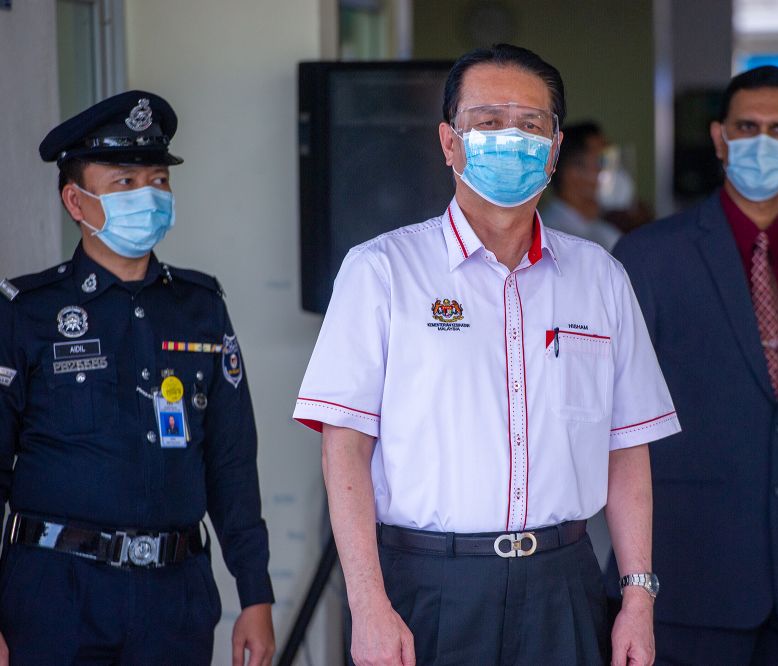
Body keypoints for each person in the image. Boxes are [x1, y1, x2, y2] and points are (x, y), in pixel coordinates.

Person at [293, 43, 679, 666]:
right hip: (428, 586)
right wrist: (367, 605)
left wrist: (638, 596)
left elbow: (628, 448)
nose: (511, 138)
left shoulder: (600, 276)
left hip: (565, 583)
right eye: (487, 122)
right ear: (449, 143)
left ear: (554, 147)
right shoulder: (382, 271)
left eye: (530, 125)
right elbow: (345, 449)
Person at [611, 65, 778, 664]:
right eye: (747, 126)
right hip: (689, 571)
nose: (763, 141)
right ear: (718, 137)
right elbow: (619, 412)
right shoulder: (649, 257)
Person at [0, 91, 275, 665]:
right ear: (76, 202)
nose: (147, 196)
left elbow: (230, 462)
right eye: (124, 183)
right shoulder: (25, 311)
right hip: (57, 595)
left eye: (157, 181)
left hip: (173, 598)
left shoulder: (201, 306)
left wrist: (255, 593)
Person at [540, 121, 622, 251]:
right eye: (602, 162)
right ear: (572, 174)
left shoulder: (605, 232)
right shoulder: (549, 237)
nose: (614, 171)